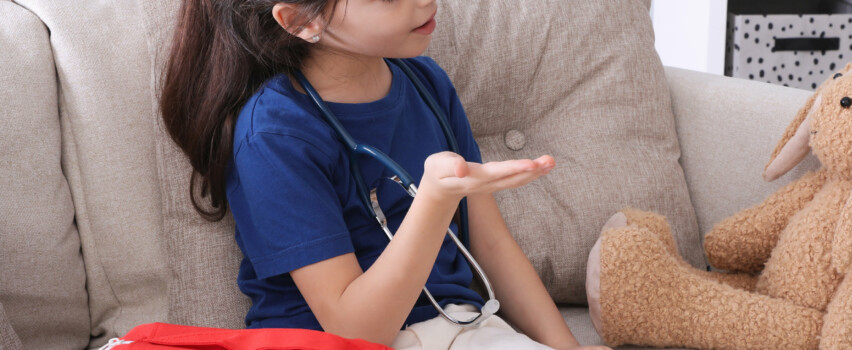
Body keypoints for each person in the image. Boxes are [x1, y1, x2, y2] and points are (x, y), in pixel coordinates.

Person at [159, 1, 608, 349]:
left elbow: (490, 243)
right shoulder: (274, 135)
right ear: (300, 20)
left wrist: (564, 344)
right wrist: (433, 200)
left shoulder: (426, 84)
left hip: (456, 326)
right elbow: (356, 332)